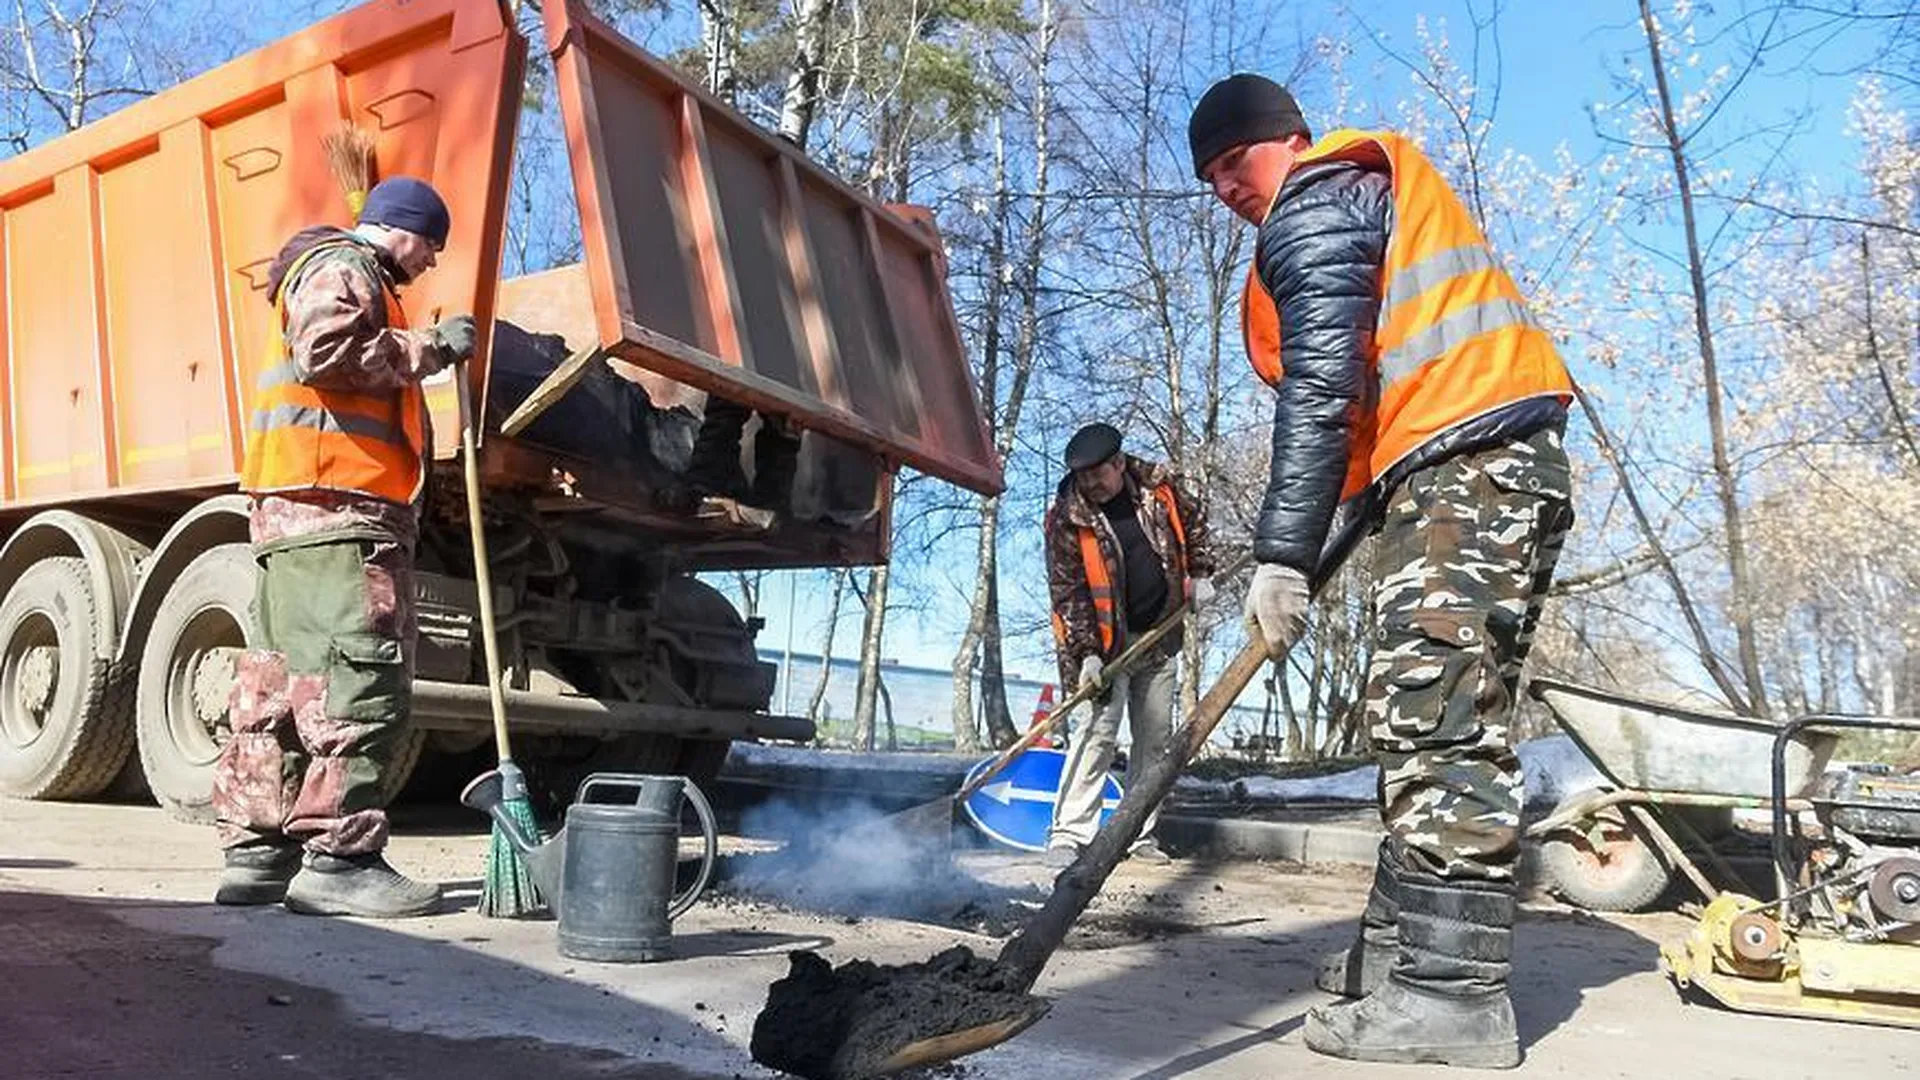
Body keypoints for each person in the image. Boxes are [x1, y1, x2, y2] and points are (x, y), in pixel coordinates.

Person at [1189, 74, 1575, 1067]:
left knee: (1437, 715)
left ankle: (1450, 1000)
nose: (1226, 188)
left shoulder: (1318, 201)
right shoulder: (1360, 205)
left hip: (1470, 464)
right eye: (1210, 177)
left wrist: (1280, 559)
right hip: (1466, 464)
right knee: (1419, 711)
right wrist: (1316, 552)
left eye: (1235, 161)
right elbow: (1360, 408)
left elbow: (1319, 393)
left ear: (1288, 138)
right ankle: (1401, 952)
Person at [211, 176, 478, 919]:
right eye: (432, 245)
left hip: (297, 514)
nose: (431, 262)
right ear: (402, 229)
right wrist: (427, 348)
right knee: (358, 682)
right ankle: (340, 858)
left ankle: (259, 854)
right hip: (338, 511)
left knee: (278, 689)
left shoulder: (326, 268)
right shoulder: (344, 269)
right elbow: (324, 352)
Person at [1043, 423, 1216, 868]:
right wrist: (1087, 655)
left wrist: (1200, 573)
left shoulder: (1160, 489)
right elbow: (1069, 592)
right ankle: (1068, 834)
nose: (1091, 486)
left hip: (1159, 635)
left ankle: (1137, 835)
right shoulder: (1067, 516)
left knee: (1154, 741)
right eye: (1083, 478)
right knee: (1095, 734)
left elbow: (1194, 525)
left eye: (1098, 475)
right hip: (1103, 646)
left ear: (1119, 464)